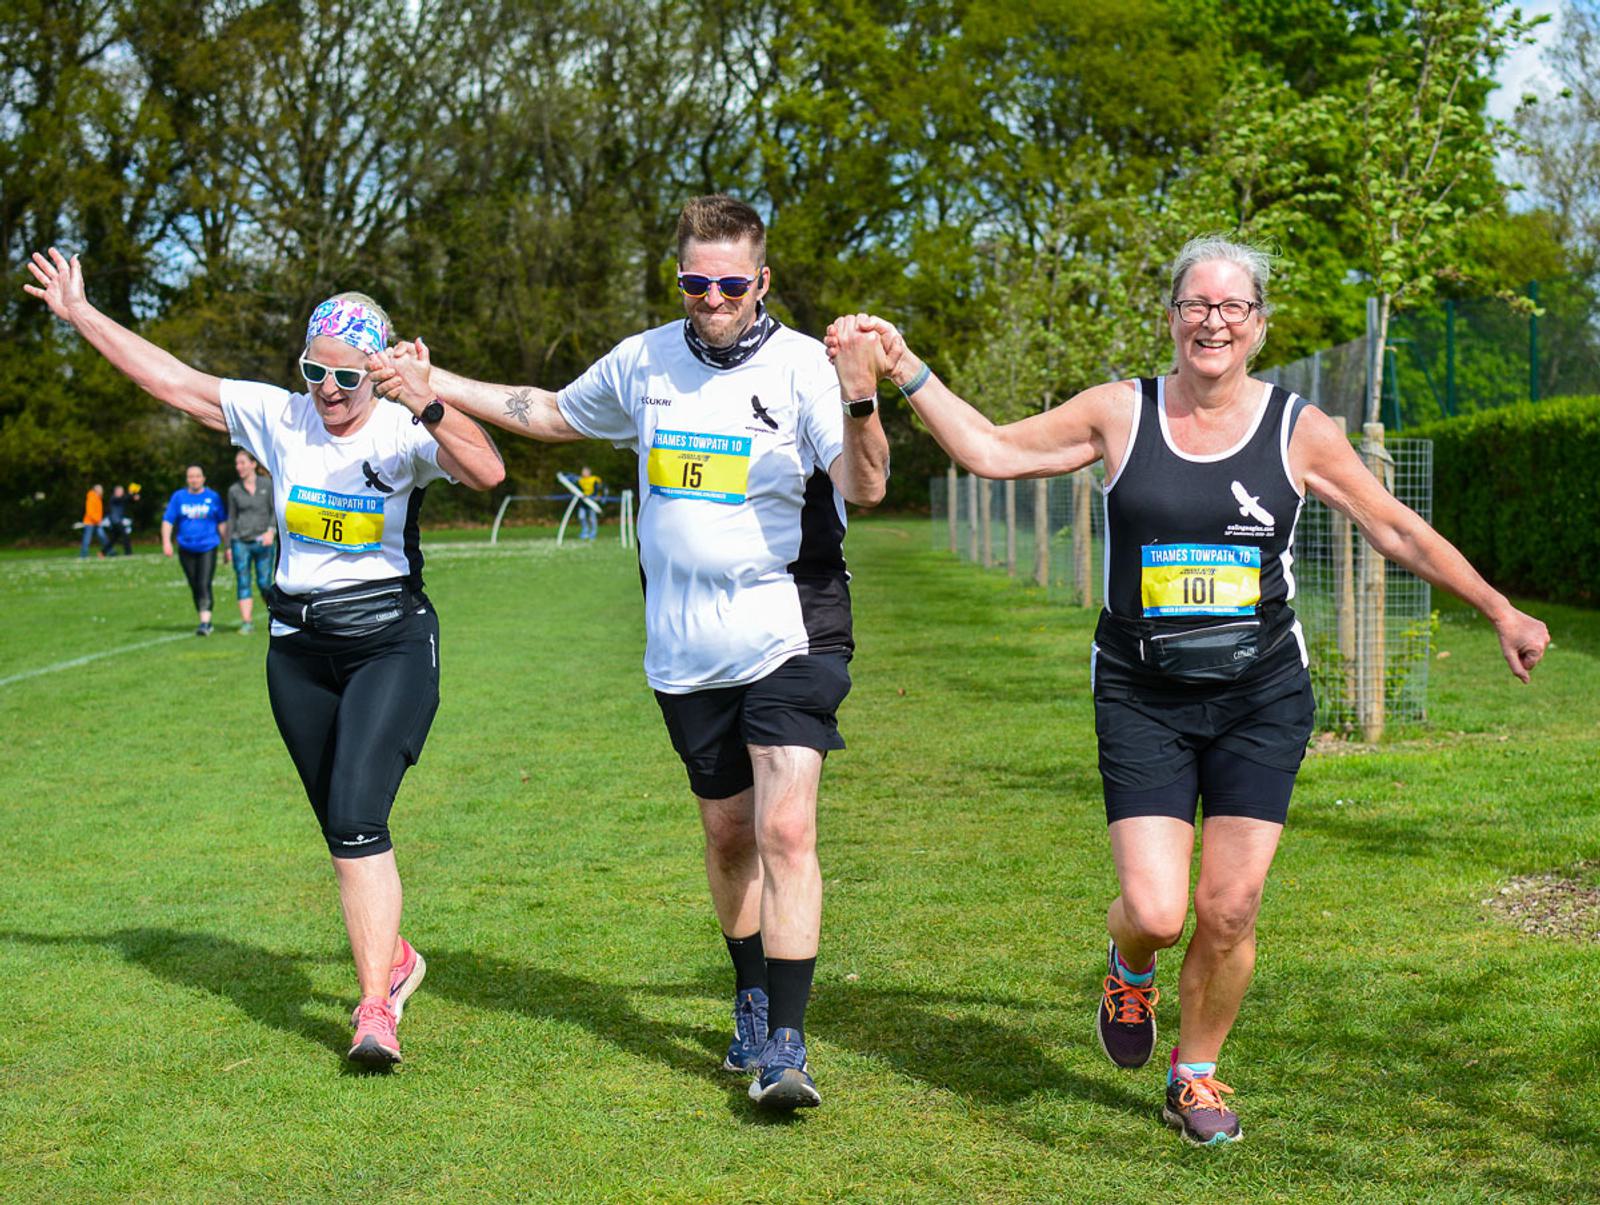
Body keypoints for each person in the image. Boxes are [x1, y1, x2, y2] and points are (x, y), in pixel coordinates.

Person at [827, 235, 1550, 1146]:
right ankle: (1130, 964)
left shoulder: (1301, 431)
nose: (1213, 321)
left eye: (1232, 307)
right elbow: (991, 452)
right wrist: (904, 367)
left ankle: (1195, 1076)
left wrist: (1498, 609)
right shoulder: (1120, 413)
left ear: (1258, 327)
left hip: (1261, 694)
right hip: (1142, 690)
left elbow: (1397, 531)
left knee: (1231, 905)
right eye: (1196, 305)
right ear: (1171, 318)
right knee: (1163, 913)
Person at [372, 194, 889, 1110]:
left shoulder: (807, 365)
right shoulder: (646, 359)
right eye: (698, 281)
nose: (714, 296)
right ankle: (752, 997)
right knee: (729, 834)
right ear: (680, 278)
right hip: (683, 642)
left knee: (785, 828)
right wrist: (432, 386)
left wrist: (858, 395)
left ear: (761, 281)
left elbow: (867, 483)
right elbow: (548, 410)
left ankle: (789, 1048)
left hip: (792, 625)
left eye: (732, 282)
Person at [25, 247, 505, 1068]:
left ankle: (373, 1011)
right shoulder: (280, 417)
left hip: (388, 641)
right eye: (315, 369)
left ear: (380, 371)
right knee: (340, 829)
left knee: (357, 818)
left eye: (348, 375)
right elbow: (174, 381)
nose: (328, 389)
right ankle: (395, 956)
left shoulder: (401, 426)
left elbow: (488, 469)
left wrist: (428, 404)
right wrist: (80, 314)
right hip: (297, 651)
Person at [162, 465, 228, 635]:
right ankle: (203, 618)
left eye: (197, 476)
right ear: (187, 479)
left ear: (203, 478)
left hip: (208, 546)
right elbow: (168, 520)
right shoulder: (179, 497)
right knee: (194, 584)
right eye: (191, 476)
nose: (194, 479)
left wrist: (227, 545)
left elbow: (222, 522)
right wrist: (166, 542)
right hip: (186, 547)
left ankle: (205, 623)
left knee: (204, 582)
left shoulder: (212, 497)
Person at [228, 450, 277, 633]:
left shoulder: (268, 485)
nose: (239, 467)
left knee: (264, 582)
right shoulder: (234, 490)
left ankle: (274, 612)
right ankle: (247, 622)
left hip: (263, 541)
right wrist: (227, 546)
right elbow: (231, 518)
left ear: (253, 464)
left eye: (242, 463)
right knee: (243, 579)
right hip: (240, 541)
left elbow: (275, 511)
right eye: (237, 464)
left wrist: (270, 531)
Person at [78, 483, 107, 558]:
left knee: (103, 537)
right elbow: (90, 513)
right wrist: (98, 520)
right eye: (100, 489)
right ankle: (83, 555)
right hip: (90, 522)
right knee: (87, 540)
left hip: (97, 522)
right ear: (96, 490)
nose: (102, 490)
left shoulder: (98, 497)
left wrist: (99, 520)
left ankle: (110, 552)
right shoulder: (91, 497)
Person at [104, 485, 132, 556]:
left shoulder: (120, 499)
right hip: (115, 521)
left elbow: (127, 500)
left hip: (118, 521)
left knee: (114, 539)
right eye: (121, 491)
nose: (122, 492)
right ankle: (128, 553)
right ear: (116, 492)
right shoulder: (114, 498)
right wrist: (130, 494)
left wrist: (133, 497)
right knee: (125, 536)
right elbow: (123, 499)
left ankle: (102, 552)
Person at [576, 464, 601, 540]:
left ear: (589, 472)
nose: (583, 473)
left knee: (592, 519)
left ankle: (593, 534)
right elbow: (578, 490)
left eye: (585, 471)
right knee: (581, 516)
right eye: (583, 471)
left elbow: (597, 489)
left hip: (591, 501)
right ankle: (585, 531)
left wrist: (596, 496)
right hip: (583, 502)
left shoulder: (594, 479)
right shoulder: (580, 480)